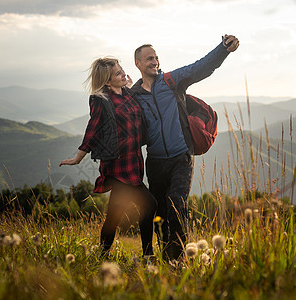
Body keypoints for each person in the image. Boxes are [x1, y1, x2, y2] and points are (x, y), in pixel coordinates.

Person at [130, 34, 240, 261]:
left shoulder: (171, 80)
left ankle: (179, 260)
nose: (154, 61)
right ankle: (165, 257)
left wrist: (223, 49)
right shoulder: (134, 95)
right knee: (159, 212)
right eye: (149, 58)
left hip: (182, 157)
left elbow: (201, 67)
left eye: (156, 57)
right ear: (138, 63)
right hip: (155, 161)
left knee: (177, 206)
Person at [59, 57, 158, 257]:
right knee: (150, 204)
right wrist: (78, 157)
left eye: (122, 71)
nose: (123, 75)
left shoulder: (127, 94)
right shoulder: (101, 100)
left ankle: (102, 255)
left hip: (134, 162)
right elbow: (92, 128)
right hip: (118, 166)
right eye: (118, 74)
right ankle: (148, 255)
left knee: (114, 215)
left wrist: (128, 86)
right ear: (107, 81)